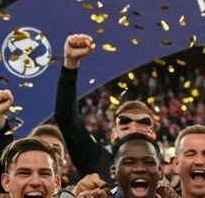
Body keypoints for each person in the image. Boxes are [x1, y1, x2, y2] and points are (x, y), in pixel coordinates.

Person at [56, 33, 160, 181]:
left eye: (143, 122)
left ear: (153, 133)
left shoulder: (172, 170)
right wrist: (70, 65)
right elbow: (66, 118)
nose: (134, 128)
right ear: (114, 132)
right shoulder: (95, 159)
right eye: (125, 123)